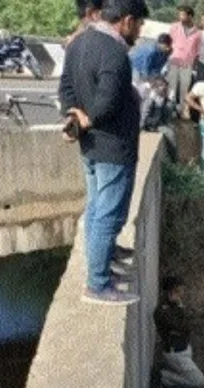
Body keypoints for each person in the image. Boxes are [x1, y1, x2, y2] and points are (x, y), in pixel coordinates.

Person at [59, 0, 148, 305]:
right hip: (113, 146)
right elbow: (108, 101)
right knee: (107, 215)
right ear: (125, 21)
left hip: (91, 145)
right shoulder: (115, 52)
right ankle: (97, 284)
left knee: (97, 208)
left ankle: (103, 266)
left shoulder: (78, 42)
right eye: (139, 24)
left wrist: (73, 117)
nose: (139, 31)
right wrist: (89, 118)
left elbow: (66, 87)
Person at [153, 276, 204, 388]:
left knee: (189, 379)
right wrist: (180, 307)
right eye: (179, 291)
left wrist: (179, 306)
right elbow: (183, 326)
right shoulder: (162, 311)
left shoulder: (175, 306)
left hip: (184, 349)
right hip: (175, 353)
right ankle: (162, 376)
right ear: (171, 291)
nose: (182, 294)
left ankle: (168, 381)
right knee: (199, 381)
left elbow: (189, 324)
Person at [166, 5, 201, 118]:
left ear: (190, 16)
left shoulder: (197, 33)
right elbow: (168, 44)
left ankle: (181, 111)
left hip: (187, 64)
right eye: (179, 14)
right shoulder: (174, 27)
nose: (180, 17)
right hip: (174, 61)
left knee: (184, 89)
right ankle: (168, 110)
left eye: (183, 14)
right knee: (172, 86)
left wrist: (193, 65)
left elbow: (197, 50)